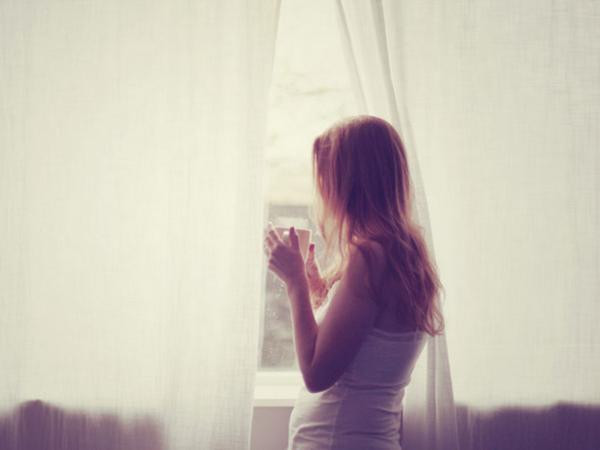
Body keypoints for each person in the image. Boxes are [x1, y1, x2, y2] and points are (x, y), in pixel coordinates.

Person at [263, 115, 445, 450]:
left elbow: (316, 374)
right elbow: (366, 350)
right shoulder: (404, 254)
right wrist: (319, 294)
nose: (322, 193)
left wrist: (295, 283)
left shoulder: (370, 257)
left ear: (349, 185)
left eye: (326, 180)